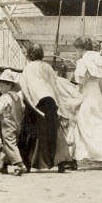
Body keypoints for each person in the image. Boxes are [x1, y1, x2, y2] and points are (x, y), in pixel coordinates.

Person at [18, 43, 76, 173]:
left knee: (29, 131)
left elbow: (25, 88)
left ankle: (27, 163)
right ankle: (61, 161)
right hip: (50, 100)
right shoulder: (47, 67)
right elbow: (54, 85)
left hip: (37, 101)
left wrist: (30, 104)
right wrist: (59, 104)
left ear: (30, 55)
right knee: (54, 131)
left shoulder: (28, 68)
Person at [72, 37, 102, 169]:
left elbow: (81, 83)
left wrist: (76, 96)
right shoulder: (97, 61)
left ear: (81, 49)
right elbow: (101, 84)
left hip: (86, 96)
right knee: (99, 125)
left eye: (76, 50)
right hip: (96, 96)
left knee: (82, 126)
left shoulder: (82, 62)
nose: (76, 53)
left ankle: (76, 158)